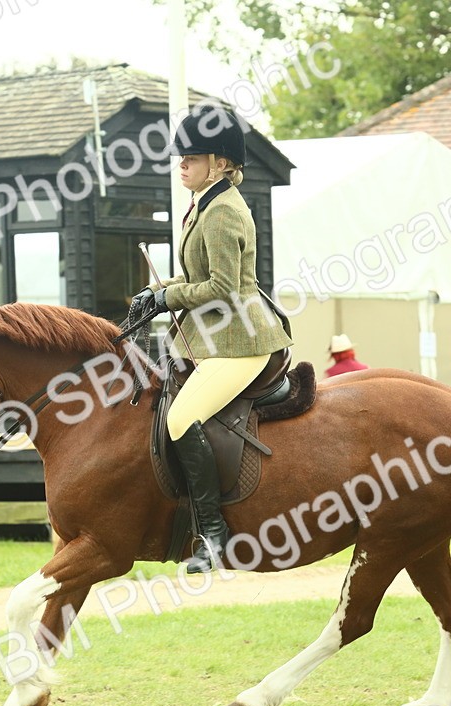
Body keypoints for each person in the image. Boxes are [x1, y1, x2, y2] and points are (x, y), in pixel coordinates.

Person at [134, 105, 293, 573]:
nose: (181, 164)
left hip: (241, 340)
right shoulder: (203, 203)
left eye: (192, 156)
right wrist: (157, 291)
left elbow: (222, 287)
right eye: (180, 156)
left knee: (181, 419)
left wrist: (169, 300)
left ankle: (215, 534)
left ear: (222, 162)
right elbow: (195, 274)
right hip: (212, 338)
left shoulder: (223, 211)